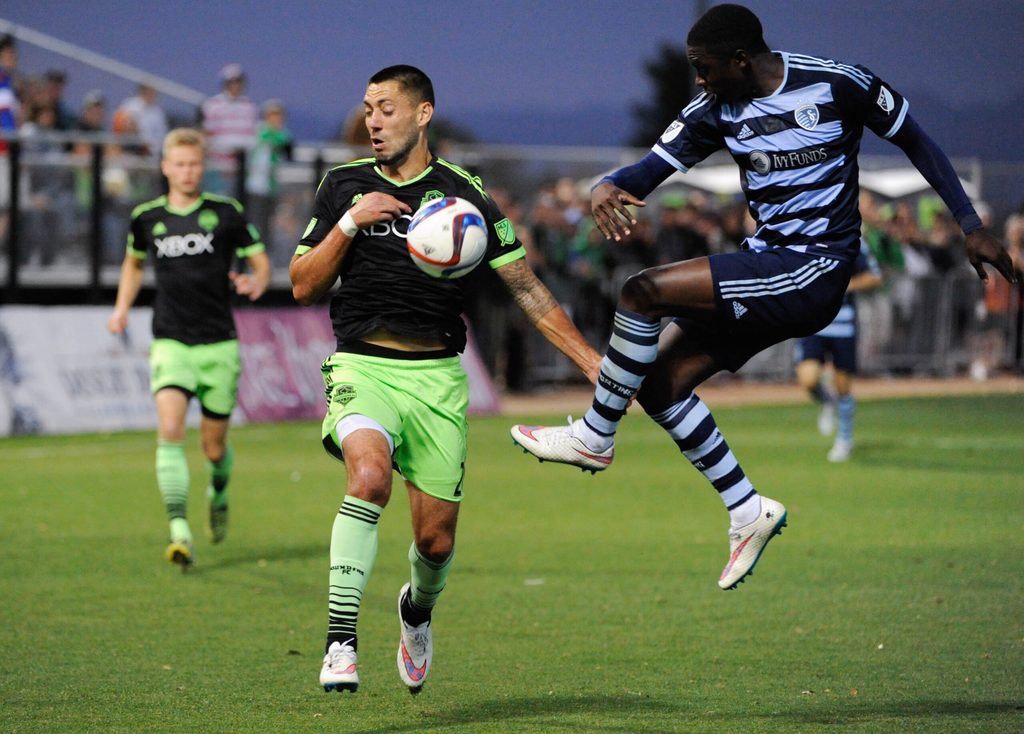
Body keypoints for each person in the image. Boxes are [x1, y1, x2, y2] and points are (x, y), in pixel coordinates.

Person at [511, 4, 1016, 592]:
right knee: (659, 386)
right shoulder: (712, 110)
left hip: (816, 268)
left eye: (704, 68)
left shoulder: (838, 83)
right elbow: (647, 171)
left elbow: (918, 141)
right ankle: (748, 510)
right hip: (767, 260)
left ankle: (595, 437)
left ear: (741, 60)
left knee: (641, 292)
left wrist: (970, 223)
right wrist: (607, 185)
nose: (699, 80)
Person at [289, 65, 600, 694]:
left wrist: (592, 362)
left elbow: (527, 289)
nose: (373, 121)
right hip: (362, 366)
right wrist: (351, 222)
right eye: (367, 109)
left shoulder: (466, 195)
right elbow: (301, 284)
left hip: (436, 379)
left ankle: (416, 611)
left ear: (423, 114)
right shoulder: (341, 184)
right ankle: (340, 642)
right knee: (369, 477)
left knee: (433, 541)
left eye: (386, 108)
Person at [107, 128, 271, 569]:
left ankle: (218, 490)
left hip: (218, 345)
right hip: (170, 340)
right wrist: (121, 308)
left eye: (194, 164)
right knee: (170, 431)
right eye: (178, 164)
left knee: (214, 449)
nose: (186, 171)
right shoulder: (146, 217)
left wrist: (255, 279)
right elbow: (133, 263)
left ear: (204, 168)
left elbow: (260, 261)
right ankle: (179, 531)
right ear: (165, 167)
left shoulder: (226, 213)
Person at [795, 240, 882, 462]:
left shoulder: (852, 242)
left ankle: (845, 440)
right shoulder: (805, 238)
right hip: (812, 321)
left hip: (843, 324)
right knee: (808, 379)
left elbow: (874, 276)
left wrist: (842, 285)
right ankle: (827, 400)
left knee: (843, 385)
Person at [201, 63, 258, 195]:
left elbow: (252, 135)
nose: (235, 85)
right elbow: (207, 133)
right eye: (231, 82)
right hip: (217, 166)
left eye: (238, 82)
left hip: (239, 167)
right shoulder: (213, 104)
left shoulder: (249, 105)